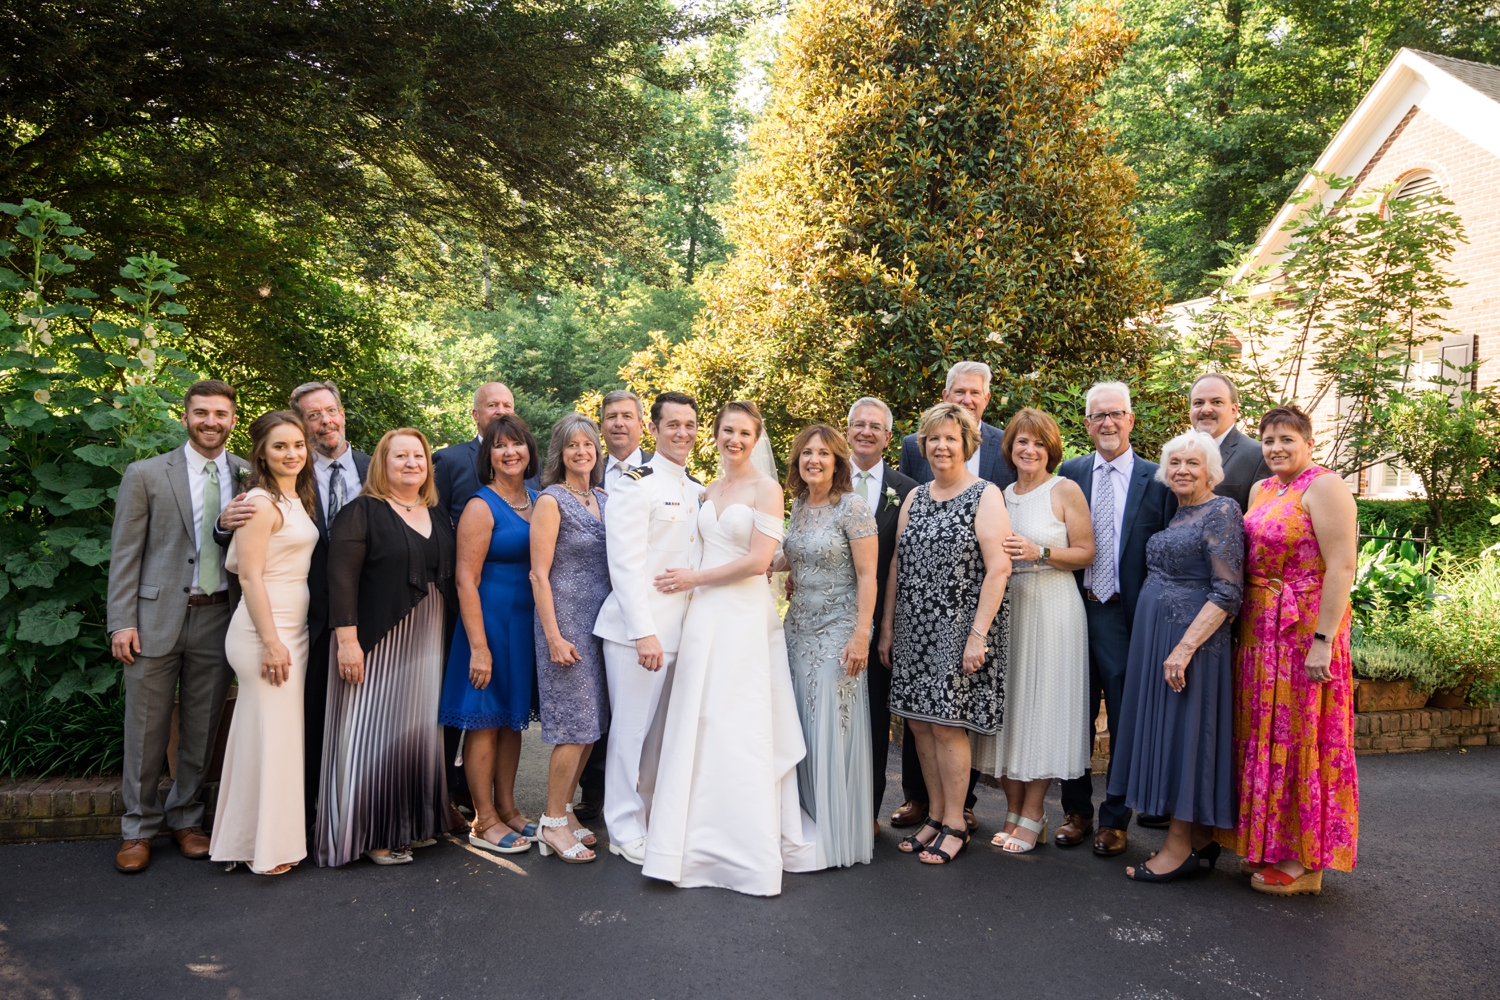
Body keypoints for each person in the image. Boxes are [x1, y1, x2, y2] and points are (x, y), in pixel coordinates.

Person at [642, 401, 817, 894]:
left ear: (756, 437)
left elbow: (760, 560)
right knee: (700, 719)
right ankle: (686, 840)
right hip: (703, 619)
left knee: (740, 721)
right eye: (726, 431)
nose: (733, 440)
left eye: (743, 432)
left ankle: (746, 847)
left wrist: (694, 578)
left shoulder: (768, 489)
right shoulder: (705, 490)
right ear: (714, 435)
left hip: (742, 615)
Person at [215, 380, 370, 830]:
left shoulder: (367, 468)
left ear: (342, 412)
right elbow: (247, 562)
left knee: (294, 732)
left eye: (330, 410)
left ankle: (328, 819)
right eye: (312, 416)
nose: (325, 421)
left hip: (341, 617)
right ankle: (283, 828)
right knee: (288, 732)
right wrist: (225, 523)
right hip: (291, 623)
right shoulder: (268, 494)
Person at [108, 380, 247, 874]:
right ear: (185, 417)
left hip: (218, 617)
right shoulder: (146, 474)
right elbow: (125, 553)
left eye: (221, 414)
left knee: (202, 724)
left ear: (233, 420)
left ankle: (187, 819)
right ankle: (138, 828)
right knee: (144, 729)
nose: (212, 421)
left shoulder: (248, 475)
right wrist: (121, 621)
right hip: (153, 618)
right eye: (202, 412)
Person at [1219, 406, 1359, 896]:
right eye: (1269, 439)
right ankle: (1270, 843)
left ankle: (1305, 861)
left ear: (1308, 443)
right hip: (1261, 634)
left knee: (1301, 736)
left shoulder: (1325, 487)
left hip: (1304, 634)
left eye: (1287, 439)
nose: (1276, 447)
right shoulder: (1264, 489)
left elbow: (1342, 567)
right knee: (1263, 734)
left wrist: (1323, 641)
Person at [1107, 431, 1244, 882]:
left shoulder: (1222, 510)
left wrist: (1184, 648)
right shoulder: (1180, 513)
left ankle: (1180, 847)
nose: (1182, 470)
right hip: (1157, 639)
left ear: (1211, 471)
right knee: (1167, 735)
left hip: (1193, 647)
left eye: (1193, 463)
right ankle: (1200, 839)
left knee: (1187, 738)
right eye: (1175, 462)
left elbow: (1228, 592)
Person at [316, 429, 456, 866]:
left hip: (427, 639)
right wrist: (348, 642)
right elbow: (340, 580)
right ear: (382, 462)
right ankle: (371, 834)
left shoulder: (435, 511)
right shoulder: (361, 512)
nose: (412, 463)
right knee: (370, 735)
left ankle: (408, 825)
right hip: (376, 641)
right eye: (401, 456)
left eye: (419, 455)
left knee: (414, 737)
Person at [880, 402, 1012, 866]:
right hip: (914, 628)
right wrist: (888, 629)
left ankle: (956, 821)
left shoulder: (985, 494)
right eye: (933, 438)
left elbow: (999, 568)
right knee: (918, 723)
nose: (941, 446)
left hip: (957, 629)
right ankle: (934, 817)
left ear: (967, 444)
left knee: (946, 725)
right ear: (924, 444)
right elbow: (898, 563)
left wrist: (978, 635)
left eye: (950, 438)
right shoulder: (915, 497)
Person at [1053, 382, 1176, 857]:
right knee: (1073, 717)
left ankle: (1114, 819)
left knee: (1125, 720)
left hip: (1127, 619)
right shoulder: (1070, 473)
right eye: (1097, 415)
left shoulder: (1158, 479)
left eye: (1116, 414)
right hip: (1072, 610)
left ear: (1131, 420)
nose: (1107, 423)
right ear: (1086, 423)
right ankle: (1076, 812)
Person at [972, 408, 1095, 853]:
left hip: (1053, 607)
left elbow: (1086, 553)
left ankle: (1035, 812)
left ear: (1051, 449)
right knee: (1011, 710)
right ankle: (1012, 810)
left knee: (1042, 707)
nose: (1029, 450)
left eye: (1039, 443)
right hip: (1010, 610)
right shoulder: (1000, 495)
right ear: (1010, 448)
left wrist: (1040, 550)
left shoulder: (1065, 490)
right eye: (1022, 442)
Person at [591, 391, 703, 866]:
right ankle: (620, 824)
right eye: (672, 424)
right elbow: (626, 566)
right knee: (630, 733)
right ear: (653, 429)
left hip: (684, 632)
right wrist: (644, 632)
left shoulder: (698, 489)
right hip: (638, 634)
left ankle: (652, 816)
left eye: (691, 425)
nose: (682, 433)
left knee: (662, 736)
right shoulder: (636, 485)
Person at [209, 410, 320, 875]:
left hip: (293, 628)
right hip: (264, 631)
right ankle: (264, 847)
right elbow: (250, 577)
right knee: (270, 738)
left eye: (298, 444)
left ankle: (247, 838)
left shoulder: (296, 497)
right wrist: (273, 643)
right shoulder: (259, 501)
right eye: (280, 446)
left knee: (269, 737)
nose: (292, 453)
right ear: (261, 452)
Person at [438, 413, 541, 855]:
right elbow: (465, 579)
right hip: (488, 625)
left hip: (524, 625)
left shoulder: (538, 500)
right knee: (485, 722)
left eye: (516, 443)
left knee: (512, 721)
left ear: (529, 450)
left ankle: (509, 807)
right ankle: (483, 819)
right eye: (500, 446)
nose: (510, 452)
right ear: (489, 455)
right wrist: (478, 646)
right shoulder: (481, 505)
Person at [779, 423, 879, 867]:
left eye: (822, 453)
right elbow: (789, 555)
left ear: (838, 460)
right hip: (797, 629)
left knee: (829, 725)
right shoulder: (798, 506)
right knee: (800, 720)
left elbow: (868, 576)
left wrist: (862, 634)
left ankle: (839, 830)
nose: (813, 460)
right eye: (806, 453)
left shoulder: (852, 508)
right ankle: (807, 822)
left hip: (840, 632)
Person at [529, 414, 611, 864]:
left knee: (593, 726)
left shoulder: (604, 496)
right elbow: (538, 575)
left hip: (602, 628)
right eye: (572, 445)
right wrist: (554, 636)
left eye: (588, 444)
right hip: (566, 627)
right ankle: (552, 822)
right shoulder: (551, 501)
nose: (582, 451)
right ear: (559, 453)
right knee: (575, 726)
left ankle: (566, 814)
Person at [576, 389, 654, 821]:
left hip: (644, 609)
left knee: (639, 711)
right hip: (590, 604)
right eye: (610, 417)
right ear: (601, 425)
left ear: (643, 424)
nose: (618, 423)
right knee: (595, 701)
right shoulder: (588, 470)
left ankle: (642, 793)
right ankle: (594, 792)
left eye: (627, 416)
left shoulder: (662, 472)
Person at [844, 397, 917, 831]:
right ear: (848, 430)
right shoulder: (826, 478)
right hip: (826, 611)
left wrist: (884, 626)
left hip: (879, 617)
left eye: (876, 426)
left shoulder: (906, 488)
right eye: (859, 424)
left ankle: (867, 811)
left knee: (871, 713)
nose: (866, 431)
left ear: (889, 437)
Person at [432, 382, 517, 529]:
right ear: (475, 415)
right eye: (492, 405)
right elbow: (435, 524)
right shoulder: (449, 461)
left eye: (507, 406)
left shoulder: (528, 463)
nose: (501, 411)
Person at [1189, 373, 1271, 512]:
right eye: (1198, 403)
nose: (1206, 409)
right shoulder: (1176, 455)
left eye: (1216, 402)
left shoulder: (1258, 456)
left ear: (1234, 410)